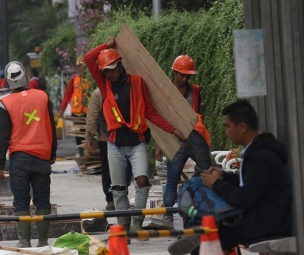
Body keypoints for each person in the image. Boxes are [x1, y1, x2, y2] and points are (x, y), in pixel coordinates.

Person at [180, 100, 293, 255]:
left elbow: (244, 198)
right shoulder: (259, 152)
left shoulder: (260, 156)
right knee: (206, 231)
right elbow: (250, 185)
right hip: (263, 216)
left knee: (206, 238)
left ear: (242, 127)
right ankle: (196, 228)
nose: (226, 131)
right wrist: (223, 176)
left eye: (228, 126)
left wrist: (217, 183)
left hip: (267, 222)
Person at [84, 37, 187, 234]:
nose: (110, 74)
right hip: (115, 144)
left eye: (112, 69)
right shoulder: (105, 85)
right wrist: (107, 45)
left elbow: (150, 113)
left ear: (120, 65)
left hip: (136, 143)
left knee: (141, 180)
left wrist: (172, 130)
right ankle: (124, 228)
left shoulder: (138, 83)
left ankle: (137, 224)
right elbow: (89, 58)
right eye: (106, 71)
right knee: (119, 188)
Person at [0, 61, 57, 248]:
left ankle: (24, 243)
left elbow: (2, 136)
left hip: (19, 160)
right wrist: (52, 153)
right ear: (26, 77)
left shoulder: (6, 103)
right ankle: (44, 242)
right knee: (43, 200)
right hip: (42, 157)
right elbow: (52, 127)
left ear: (7, 81)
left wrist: (0, 164)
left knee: (21, 202)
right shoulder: (42, 96)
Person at [156, 55, 213, 226]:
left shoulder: (195, 90)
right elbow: (161, 118)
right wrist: (160, 145)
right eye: (181, 74)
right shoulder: (166, 91)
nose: (184, 78)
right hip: (175, 139)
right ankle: (168, 215)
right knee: (172, 178)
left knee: (206, 171)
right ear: (174, 72)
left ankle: (205, 210)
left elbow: (199, 114)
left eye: (187, 75)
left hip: (195, 136)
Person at [85, 88, 132, 210]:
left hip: (115, 137)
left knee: (110, 168)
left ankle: (115, 198)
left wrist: (90, 137)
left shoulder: (98, 92)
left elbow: (92, 116)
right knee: (119, 167)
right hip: (112, 137)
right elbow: (93, 116)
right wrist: (90, 136)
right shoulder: (99, 93)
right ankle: (114, 198)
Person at [60, 56, 92, 157]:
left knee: (89, 134)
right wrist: (62, 109)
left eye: (82, 66)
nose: (80, 68)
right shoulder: (74, 80)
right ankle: (81, 154)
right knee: (78, 136)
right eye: (79, 66)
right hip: (76, 114)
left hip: (88, 114)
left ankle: (89, 154)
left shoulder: (91, 79)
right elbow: (67, 95)